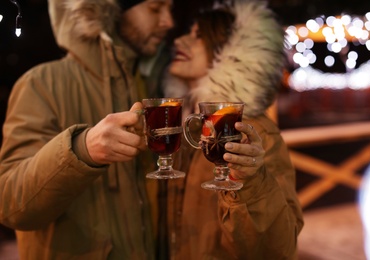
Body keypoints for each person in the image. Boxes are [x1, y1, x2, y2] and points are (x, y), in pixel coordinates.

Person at [0, 0, 174, 259]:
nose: (168, 21)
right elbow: (10, 203)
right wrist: (82, 149)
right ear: (112, 10)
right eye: (155, 8)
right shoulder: (41, 83)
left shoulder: (149, 88)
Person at [161, 1, 304, 259]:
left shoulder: (253, 132)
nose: (180, 40)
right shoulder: (177, 123)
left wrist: (253, 183)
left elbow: (279, 248)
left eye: (198, 36)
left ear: (231, 53)